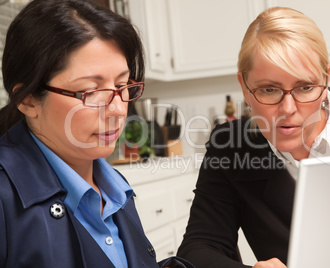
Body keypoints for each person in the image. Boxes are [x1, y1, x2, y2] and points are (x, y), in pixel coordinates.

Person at [177, 6, 330, 268]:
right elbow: (197, 249)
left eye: (305, 87)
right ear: (244, 87)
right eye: (269, 89)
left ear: (326, 78)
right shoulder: (230, 146)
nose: (288, 110)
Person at [0, 1, 193, 267]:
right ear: (28, 99)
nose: (117, 110)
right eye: (92, 92)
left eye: (122, 85)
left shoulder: (114, 186)